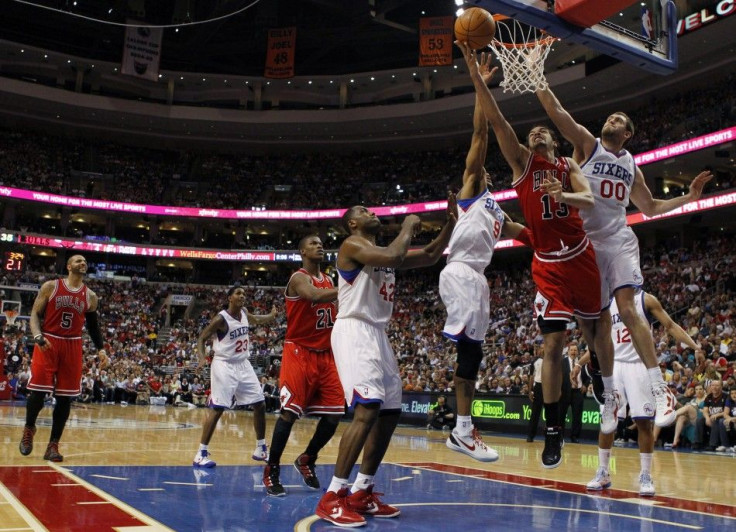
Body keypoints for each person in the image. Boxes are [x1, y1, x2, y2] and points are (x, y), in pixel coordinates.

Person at [457, 41, 617, 469]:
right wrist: (476, 76)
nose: (535, 134)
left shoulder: (568, 166)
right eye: (531, 134)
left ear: (551, 138)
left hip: (580, 255)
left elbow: (587, 201)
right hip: (548, 265)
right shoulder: (522, 164)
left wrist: (560, 192)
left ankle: (606, 382)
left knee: (595, 327)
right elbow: (496, 117)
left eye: (540, 132)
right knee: (552, 346)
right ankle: (553, 432)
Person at [535, 77, 713, 429]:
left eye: (619, 120)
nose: (612, 121)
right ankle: (610, 392)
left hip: (618, 239)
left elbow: (651, 207)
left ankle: (660, 388)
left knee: (629, 307)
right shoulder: (587, 145)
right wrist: (537, 77)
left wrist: (689, 199)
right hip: (585, 246)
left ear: (628, 133)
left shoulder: (632, 165)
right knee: (593, 322)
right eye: (611, 118)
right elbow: (557, 113)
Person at [315, 200, 456, 527]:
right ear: (352, 224)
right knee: (366, 410)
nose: (373, 214)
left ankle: (362, 490)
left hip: (377, 333)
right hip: (353, 328)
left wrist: (450, 223)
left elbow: (432, 255)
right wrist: (408, 225)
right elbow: (394, 255)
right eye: (364, 211)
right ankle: (333, 496)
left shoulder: (382, 251)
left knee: (390, 412)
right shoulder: (352, 245)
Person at [441, 53, 533, 462]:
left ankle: (463, 429)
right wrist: (480, 83)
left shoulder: (497, 210)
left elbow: (530, 235)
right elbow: (480, 133)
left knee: (474, 354)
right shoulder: (471, 190)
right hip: (460, 271)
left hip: (478, 278)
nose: (482, 172)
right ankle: (461, 430)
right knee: (469, 353)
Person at [576, 290, 697, 496]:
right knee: (607, 422)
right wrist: (579, 363)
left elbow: (670, 325)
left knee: (644, 422)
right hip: (613, 366)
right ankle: (603, 471)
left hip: (640, 365)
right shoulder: (606, 302)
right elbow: (602, 341)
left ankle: (646, 475)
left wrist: (695, 346)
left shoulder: (646, 299)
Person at [263, 235, 345, 497]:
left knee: (334, 415)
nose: (319, 246)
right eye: (313, 243)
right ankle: (272, 468)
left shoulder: (329, 279)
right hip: (298, 351)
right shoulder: (298, 278)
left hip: (325, 354)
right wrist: (350, 287)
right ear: (302, 251)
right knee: (289, 414)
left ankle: (308, 458)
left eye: (321, 243)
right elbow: (314, 296)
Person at [20, 254, 108, 462]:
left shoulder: (91, 296)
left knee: (65, 398)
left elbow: (93, 327)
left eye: (85, 261)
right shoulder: (51, 286)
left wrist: (101, 349)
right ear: (69, 266)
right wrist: (38, 336)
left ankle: (53, 445)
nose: (83, 263)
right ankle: (29, 428)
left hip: (73, 344)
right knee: (37, 394)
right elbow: (34, 314)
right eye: (78, 260)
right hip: (48, 341)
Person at [191, 285, 277, 468]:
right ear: (230, 297)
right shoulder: (220, 319)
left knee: (260, 403)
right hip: (224, 364)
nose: (242, 296)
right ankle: (200, 453)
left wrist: (271, 316)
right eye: (238, 293)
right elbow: (201, 338)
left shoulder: (244, 312)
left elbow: (255, 319)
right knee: (218, 408)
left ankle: (261, 449)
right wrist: (201, 357)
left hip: (243, 364)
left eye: (244, 293)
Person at [559, 343, 585, 443]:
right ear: (568, 351)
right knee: (561, 415)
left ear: (578, 352)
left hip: (578, 392)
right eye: (572, 350)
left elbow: (587, 376)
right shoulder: (562, 362)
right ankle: (560, 436)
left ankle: (574, 436)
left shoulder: (581, 362)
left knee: (577, 416)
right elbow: (559, 377)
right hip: (565, 391)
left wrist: (586, 385)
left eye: (575, 350)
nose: (573, 352)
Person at [526, 349, 544, 442]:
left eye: (543, 347)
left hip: (549, 386)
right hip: (538, 387)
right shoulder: (535, 362)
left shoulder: (552, 360)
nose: (542, 350)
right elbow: (531, 377)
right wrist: (530, 391)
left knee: (551, 413)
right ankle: (530, 435)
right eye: (540, 348)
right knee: (535, 413)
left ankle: (551, 435)